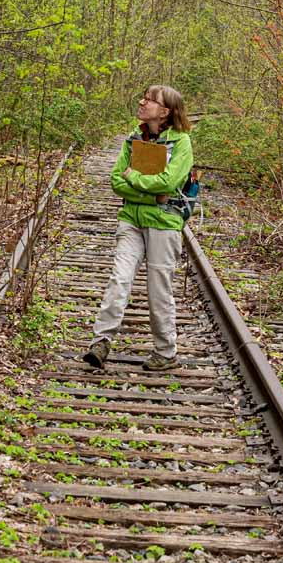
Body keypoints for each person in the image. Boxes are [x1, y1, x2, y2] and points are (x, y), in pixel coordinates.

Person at [83, 84, 193, 372]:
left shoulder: (181, 142)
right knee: (119, 279)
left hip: (164, 222)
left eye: (149, 100)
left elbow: (169, 183)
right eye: (143, 98)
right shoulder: (134, 137)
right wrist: (151, 194)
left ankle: (166, 353)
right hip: (131, 219)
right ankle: (101, 342)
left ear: (165, 112)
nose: (142, 103)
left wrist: (135, 179)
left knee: (159, 290)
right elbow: (116, 181)